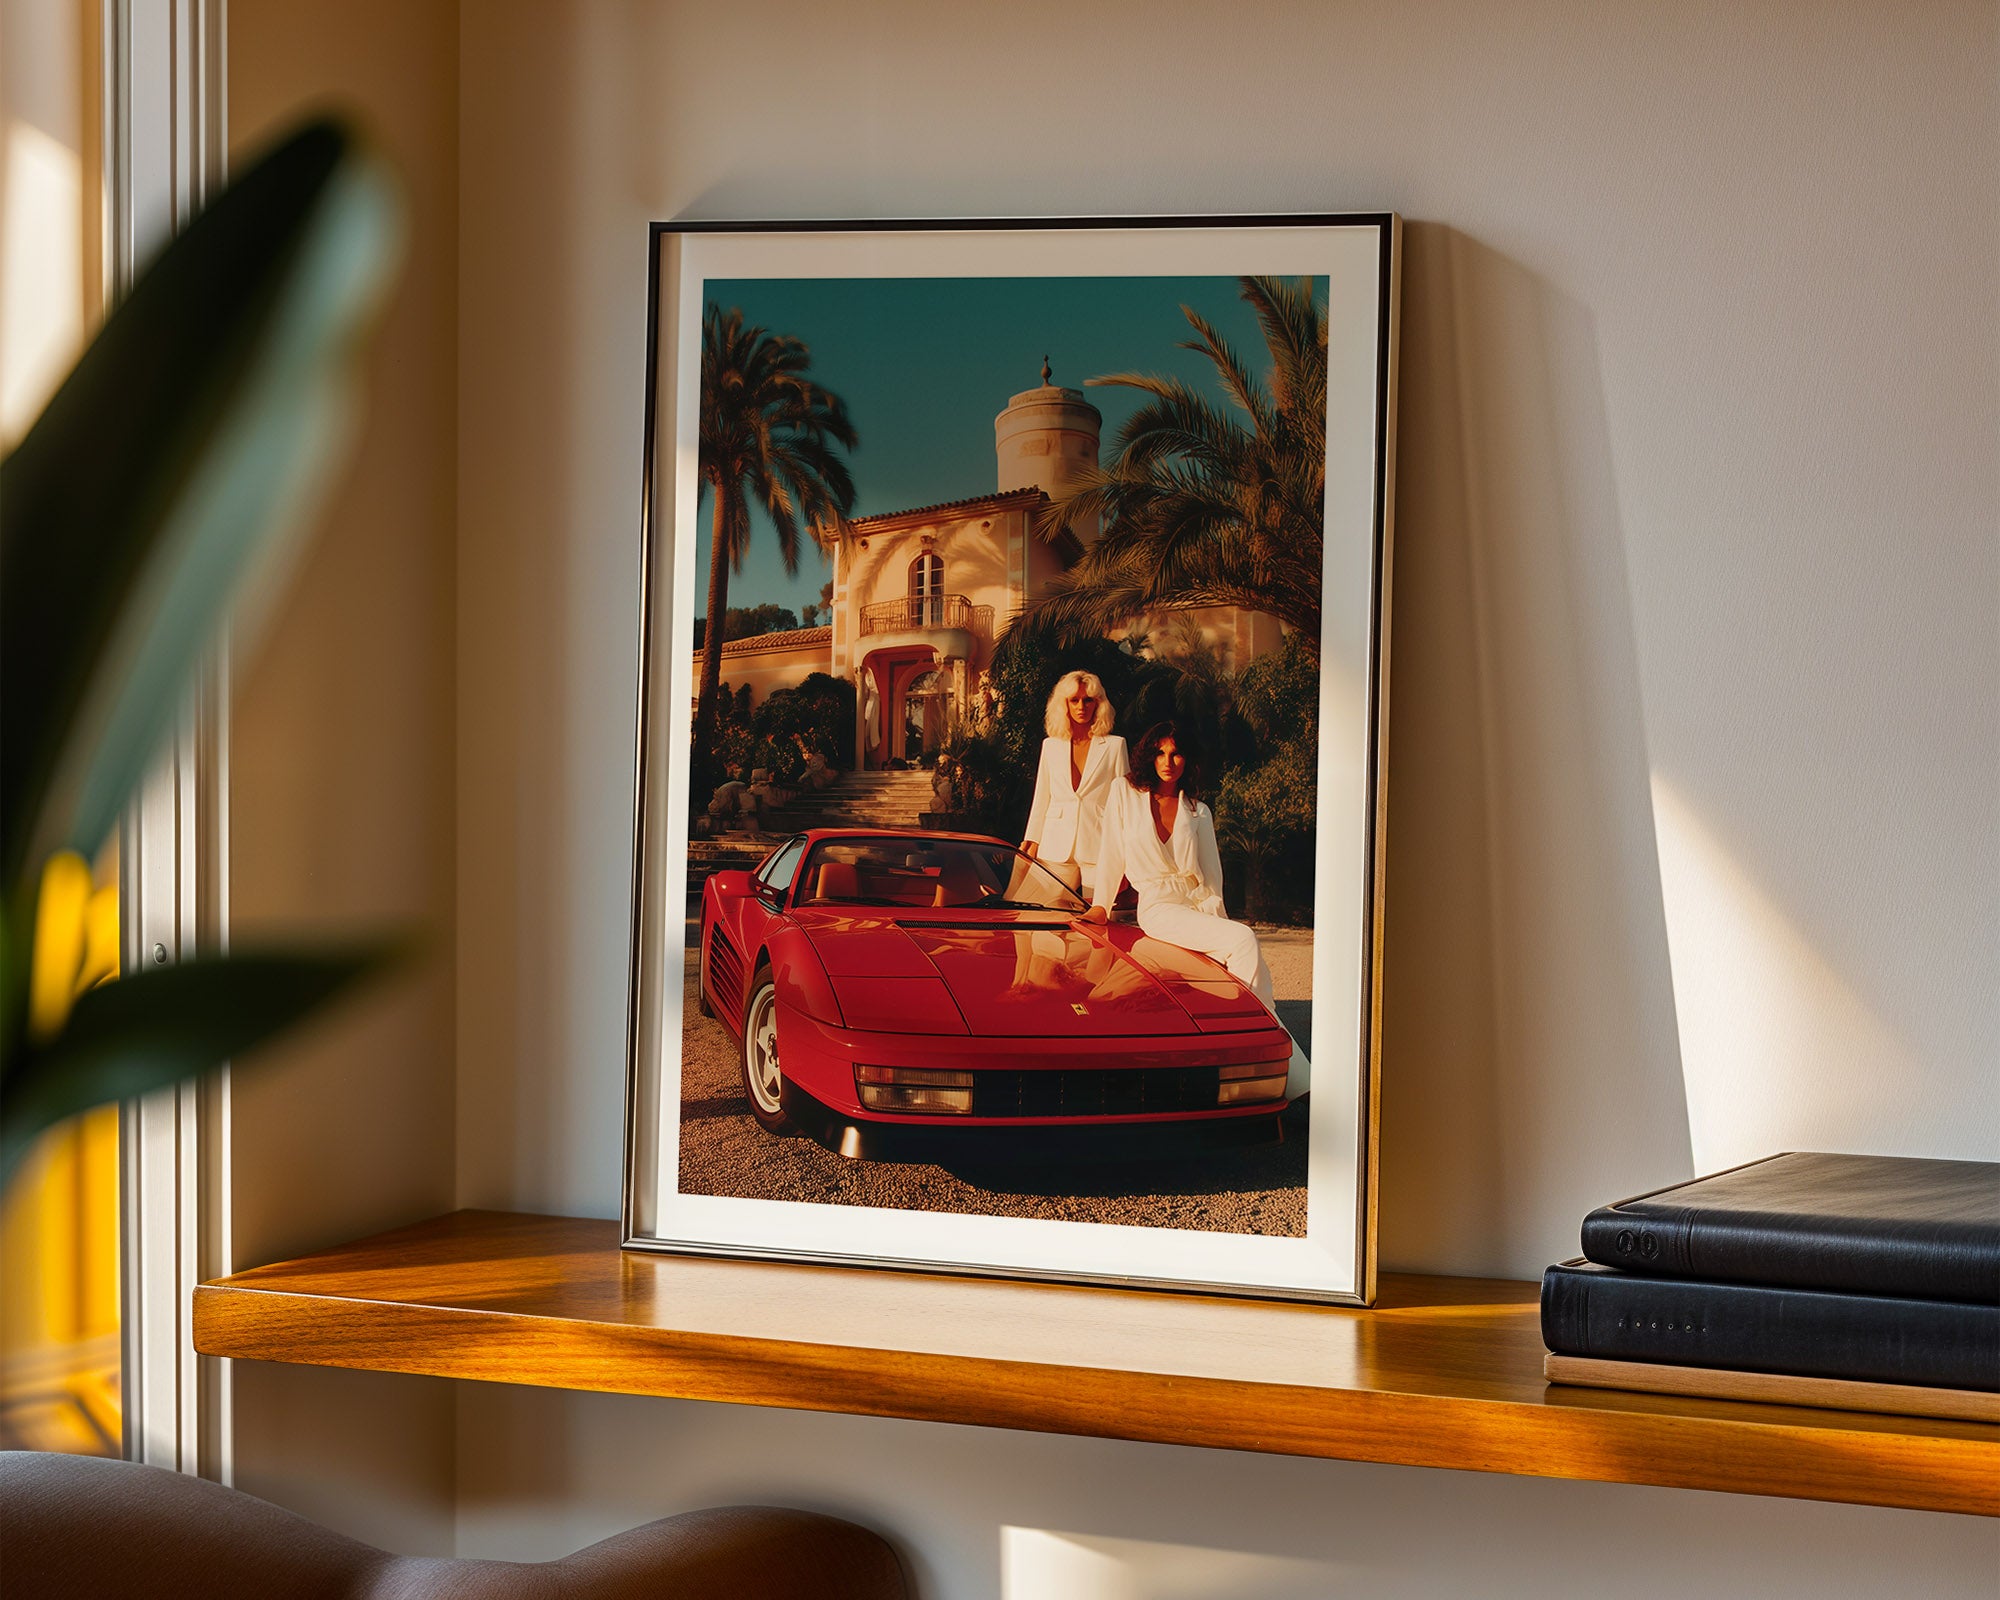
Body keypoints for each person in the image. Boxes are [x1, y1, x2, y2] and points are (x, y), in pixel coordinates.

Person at [1085, 719, 1274, 1009]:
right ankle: (1256, 1021)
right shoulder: (1124, 792)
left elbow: (1212, 878)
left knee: (1243, 957)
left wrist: (1217, 920)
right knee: (1244, 938)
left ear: (1188, 759)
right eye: (1160, 753)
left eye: (1176, 754)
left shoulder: (1198, 811)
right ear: (1149, 756)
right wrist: (1101, 906)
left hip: (1196, 907)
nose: (1168, 762)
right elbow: (1111, 851)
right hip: (1158, 907)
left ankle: (1256, 1024)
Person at [1020, 670, 1128, 900]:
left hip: (1099, 845)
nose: (1081, 706)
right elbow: (1042, 798)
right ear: (1064, 704)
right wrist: (1032, 839)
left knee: (1101, 918)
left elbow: (1125, 804)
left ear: (1098, 704)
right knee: (1036, 912)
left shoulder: (1115, 746)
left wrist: (1126, 852)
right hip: (1055, 844)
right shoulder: (1050, 746)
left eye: (1088, 700)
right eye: (1074, 700)